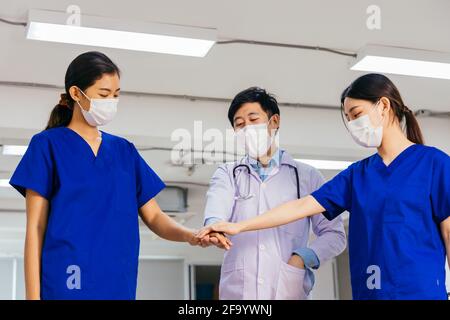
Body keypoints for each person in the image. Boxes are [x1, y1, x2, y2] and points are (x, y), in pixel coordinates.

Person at [197, 74, 450, 300]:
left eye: (356, 114)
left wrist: (300, 258)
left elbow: (448, 234)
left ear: (383, 105)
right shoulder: (357, 174)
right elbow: (303, 205)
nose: (352, 125)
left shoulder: (434, 164)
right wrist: (238, 226)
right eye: (348, 118)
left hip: (420, 291)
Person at [9, 51, 226, 300]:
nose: (111, 101)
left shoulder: (124, 151)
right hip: (66, 278)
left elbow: (154, 216)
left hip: (117, 280)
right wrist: (32, 297)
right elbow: (36, 228)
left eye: (115, 95)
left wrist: (192, 236)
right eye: (103, 94)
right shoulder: (47, 145)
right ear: (76, 93)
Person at [200, 87, 346, 299]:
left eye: (253, 119)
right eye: (239, 125)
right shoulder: (228, 174)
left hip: (288, 288)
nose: (247, 128)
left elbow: (335, 235)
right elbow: (216, 209)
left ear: (274, 122)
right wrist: (214, 227)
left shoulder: (307, 176)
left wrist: (302, 258)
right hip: (239, 293)